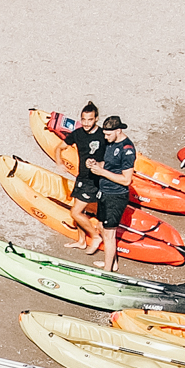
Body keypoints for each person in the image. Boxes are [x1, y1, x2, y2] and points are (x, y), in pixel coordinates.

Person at [85, 118, 137, 272]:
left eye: (108, 134)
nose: (105, 137)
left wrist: (102, 172)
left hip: (116, 196)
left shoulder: (127, 150)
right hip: (104, 192)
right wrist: (95, 164)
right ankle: (112, 263)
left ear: (118, 131)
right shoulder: (111, 143)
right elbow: (107, 165)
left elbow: (126, 180)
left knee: (109, 234)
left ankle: (108, 270)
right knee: (101, 226)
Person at [58, 101, 107, 252]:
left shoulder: (102, 136)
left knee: (75, 212)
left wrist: (100, 165)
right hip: (81, 177)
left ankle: (95, 236)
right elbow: (59, 147)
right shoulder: (78, 134)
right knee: (80, 211)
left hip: (94, 180)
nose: (86, 123)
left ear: (96, 118)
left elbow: (110, 158)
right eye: (83, 120)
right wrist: (59, 162)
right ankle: (81, 241)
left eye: (90, 119)